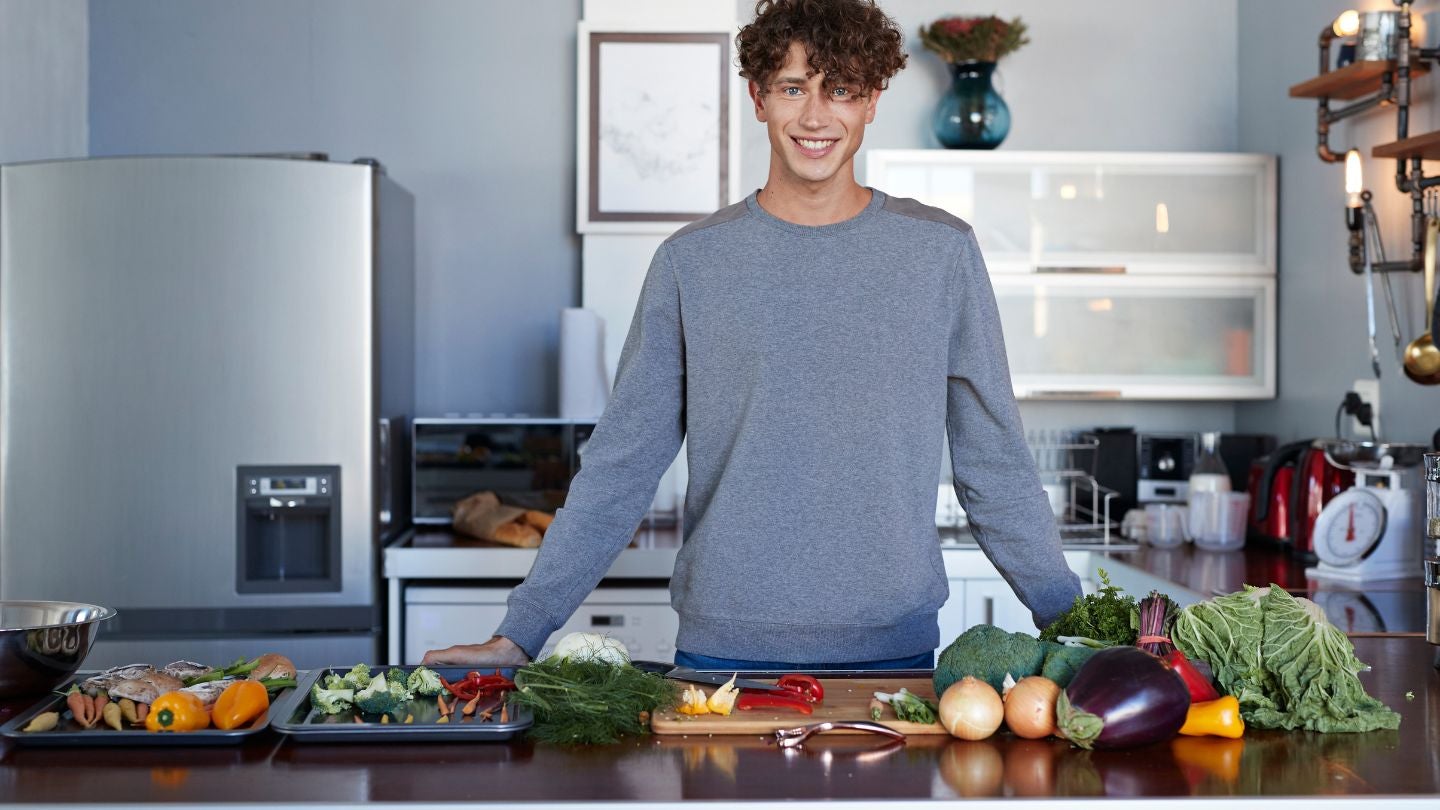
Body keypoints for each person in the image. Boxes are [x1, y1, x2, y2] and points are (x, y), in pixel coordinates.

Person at [423, 0, 1081, 671]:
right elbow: (621, 466)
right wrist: (521, 632)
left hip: (895, 660)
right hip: (721, 658)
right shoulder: (691, 263)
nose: (817, 116)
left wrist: (1079, 626)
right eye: (793, 88)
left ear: (873, 100)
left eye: (841, 90)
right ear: (758, 97)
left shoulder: (941, 254)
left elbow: (993, 464)